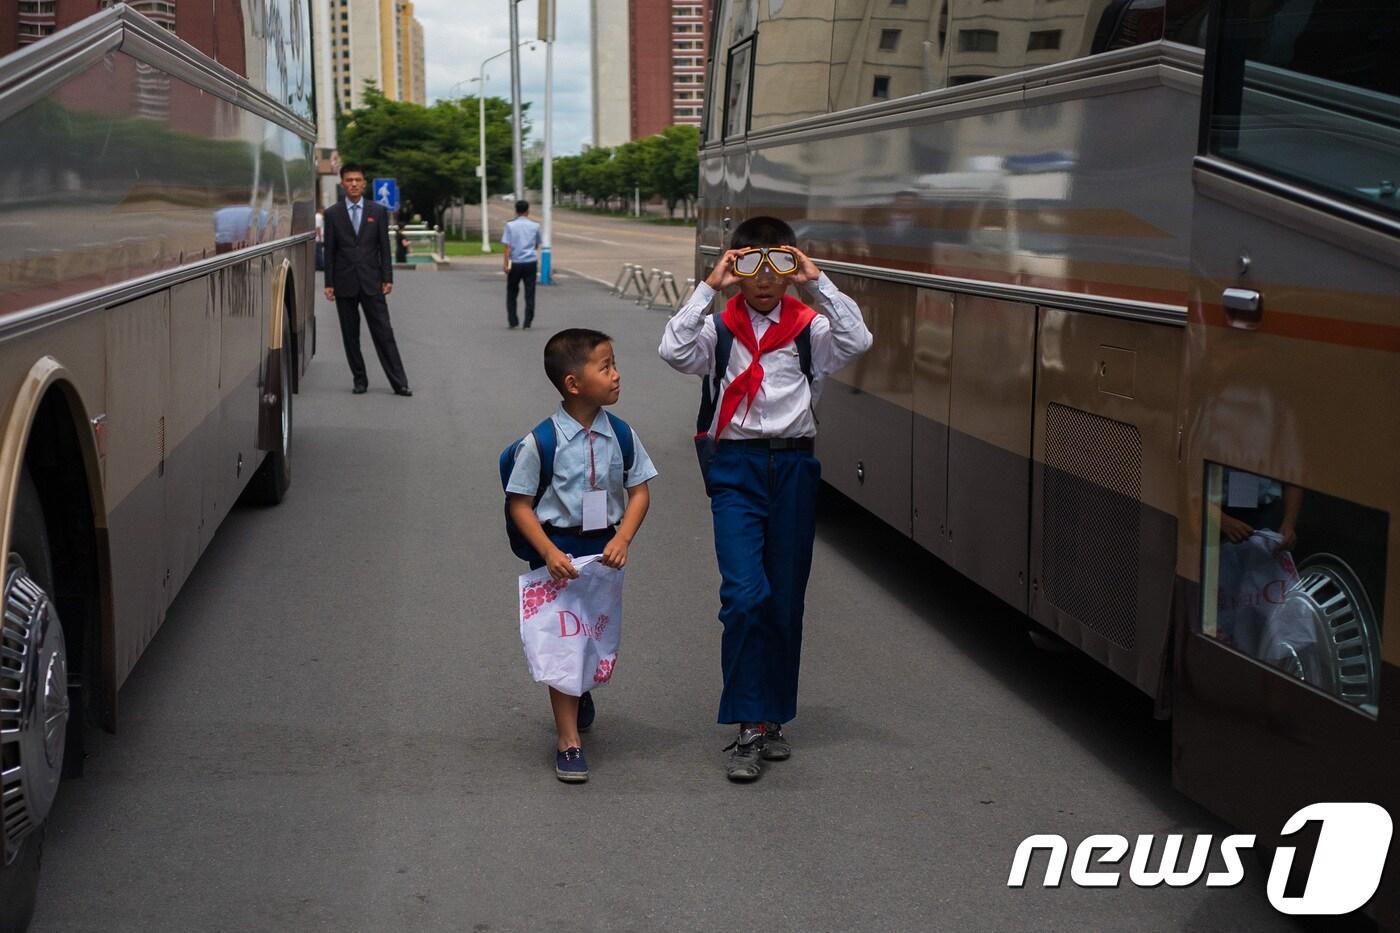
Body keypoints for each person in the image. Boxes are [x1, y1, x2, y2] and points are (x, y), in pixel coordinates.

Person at [658, 216, 872, 782]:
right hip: (737, 467)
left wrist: (814, 279)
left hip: (795, 466)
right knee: (745, 595)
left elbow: (858, 340)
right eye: (750, 264)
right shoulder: (720, 330)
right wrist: (711, 286)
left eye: (775, 265)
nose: (763, 279)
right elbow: (672, 351)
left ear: (788, 269)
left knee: (784, 601)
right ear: (736, 266)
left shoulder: (809, 328)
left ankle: (772, 718)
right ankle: (749, 724)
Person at [506, 328, 657, 783]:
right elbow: (520, 503)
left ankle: (581, 687)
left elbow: (639, 491)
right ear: (574, 384)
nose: (616, 375)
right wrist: (548, 550)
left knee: (590, 637)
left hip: (602, 551)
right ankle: (568, 741)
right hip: (556, 552)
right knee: (562, 644)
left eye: (614, 365)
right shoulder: (541, 442)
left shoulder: (623, 435)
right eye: (605, 367)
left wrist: (624, 538)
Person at [322, 163, 412, 396]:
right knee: (350, 336)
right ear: (342, 183)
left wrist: (387, 277)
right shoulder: (332, 214)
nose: (353, 184)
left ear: (364, 183)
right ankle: (359, 379)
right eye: (349, 180)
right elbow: (329, 250)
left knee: (384, 332)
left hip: (372, 282)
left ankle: (399, 382)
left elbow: (384, 248)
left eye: (357, 180)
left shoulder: (377, 211)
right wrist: (329, 283)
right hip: (344, 283)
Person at [501, 199, 542, 329]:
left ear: (516, 210)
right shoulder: (535, 226)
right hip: (530, 262)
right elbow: (536, 244)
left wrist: (506, 263)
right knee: (530, 291)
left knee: (512, 292)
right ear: (528, 210)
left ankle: (513, 320)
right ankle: (528, 321)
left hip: (516, 262)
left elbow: (508, 247)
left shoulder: (510, 225)